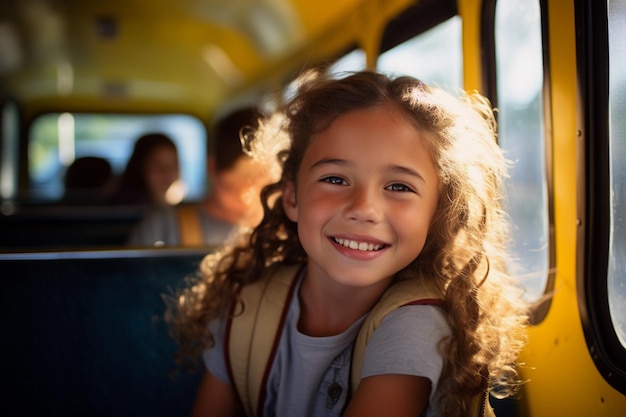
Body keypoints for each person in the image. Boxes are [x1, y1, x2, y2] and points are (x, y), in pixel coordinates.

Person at [165, 70, 529, 417]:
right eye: (336, 178)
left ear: (438, 213)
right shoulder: (246, 310)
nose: (364, 209)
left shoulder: (417, 327)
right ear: (291, 197)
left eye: (399, 187)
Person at [127, 107, 269, 247]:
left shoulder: (281, 230)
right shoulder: (161, 228)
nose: (253, 197)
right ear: (212, 168)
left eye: (268, 184)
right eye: (244, 185)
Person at [110, 133, 180, 206]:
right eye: (157, 165)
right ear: (138, 167)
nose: (167, 174)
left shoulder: (168, 206)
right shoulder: (127, 207)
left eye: (172, 165)